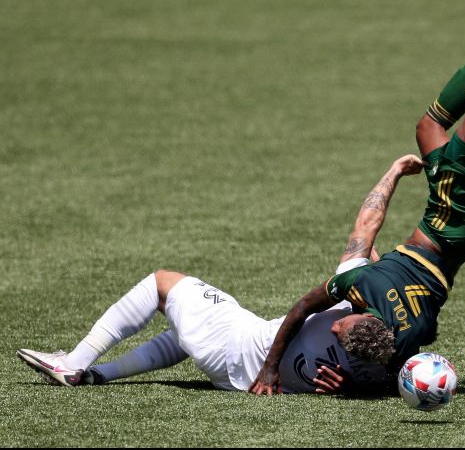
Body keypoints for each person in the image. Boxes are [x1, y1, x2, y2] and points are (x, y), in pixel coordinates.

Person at [251, 0, 465, 396]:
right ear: (362, 316)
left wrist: (353, 385)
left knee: (428, 129)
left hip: (451, 236)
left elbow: (413, 349)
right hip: (447, 227)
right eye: (342, 326)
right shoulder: (359, 283)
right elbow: (303, 306)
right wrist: (270, 368)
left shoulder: (405, 340)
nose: (335, 324)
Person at [17, 153, 427, 395]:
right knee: (182, 334)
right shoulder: (373, 370)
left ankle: (73, 363)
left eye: (339, 328)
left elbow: (364, 230)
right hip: (231, 370)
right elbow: (368, 252)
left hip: (237, 344)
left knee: (162, 283)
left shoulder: (350, 302)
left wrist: (392, 172)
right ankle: (97, 375)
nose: (337, 329)